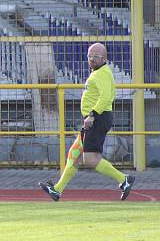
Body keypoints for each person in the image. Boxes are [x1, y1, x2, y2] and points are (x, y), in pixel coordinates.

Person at [39, 42, 135, 201]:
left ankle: (123, 179)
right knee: (74, 154)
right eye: (89, 56)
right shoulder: (99, 72)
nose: (91, 59)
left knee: (90, 158)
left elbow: (105, 98)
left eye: (95, 57)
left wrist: (92, 115)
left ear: (104, 58)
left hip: (97, 118)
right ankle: (57, 189)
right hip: (94, 118)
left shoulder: (102, 74)